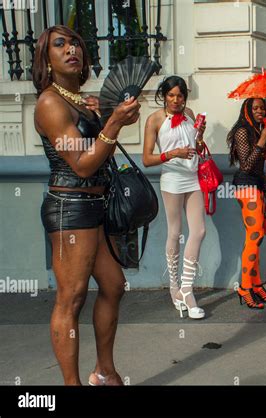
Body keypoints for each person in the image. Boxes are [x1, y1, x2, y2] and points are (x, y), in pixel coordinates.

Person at [33, 25, 140, 385]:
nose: (70, 49)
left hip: (95, 206)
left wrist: (107, 118)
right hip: (69, 207)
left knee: (113, 286)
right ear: (46, 59)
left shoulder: (79, 100)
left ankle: (104, 371)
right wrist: (112, 123)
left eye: (75, 42)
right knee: (72, 297)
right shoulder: (50, 102)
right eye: (59, 44)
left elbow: (100, 150)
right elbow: (81, 163)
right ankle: (71, 384)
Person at [143, 76, 207, 319]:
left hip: (193, 177)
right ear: (164, 96)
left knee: (199, 231)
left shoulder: (190, 114)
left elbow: (197, 149)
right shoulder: (155, 120)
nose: (176, 100)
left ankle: (187, 290)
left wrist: (199, 136)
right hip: (171, 179)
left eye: (180, 95)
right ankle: (174, 287)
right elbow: (147, 159)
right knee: (174, 232)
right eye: (171, 95)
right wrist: (173, 153)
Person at [227, 98, 266, 309]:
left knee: (256, 239)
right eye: (255, 108)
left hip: (257, 187)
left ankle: (256, 284)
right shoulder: (242, 131)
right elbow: (247, 165)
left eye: (262, 108)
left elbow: (260, 170)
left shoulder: (259, 130)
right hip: (246, 186)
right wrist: (262, 140)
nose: (259, 111)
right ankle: (245, 287)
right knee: (254, 235)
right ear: (247, 111)